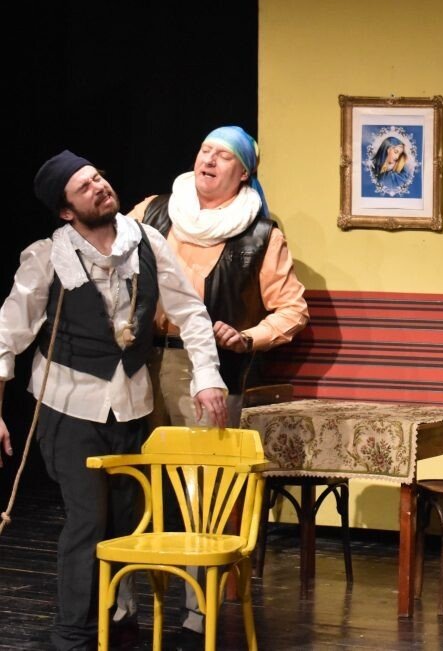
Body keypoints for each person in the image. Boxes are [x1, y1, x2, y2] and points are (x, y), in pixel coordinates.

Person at [0, 150, 227, 650]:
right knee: (88, 518)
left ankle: (115, 620)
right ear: (67, 210)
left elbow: (190, 312)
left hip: (131, 404)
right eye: (85, 187)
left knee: (125, 519)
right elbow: (7, 333)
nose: (100, 187)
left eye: (98, 177)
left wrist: (207, 377)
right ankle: (73, 635)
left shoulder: (145, 241)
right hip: (68, 405)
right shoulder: (47, 257)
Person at [128, 125, 308, 635]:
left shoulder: (259, 233)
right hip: (139, 361)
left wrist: (248, 337)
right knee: (130, 479)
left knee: (199, 492)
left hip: (204, 370)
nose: (208, 160)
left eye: (223, 156)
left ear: (244, 173)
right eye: (204, 150)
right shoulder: (153, 212)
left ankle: (197, 607)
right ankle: (122, 601)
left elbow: (293, 309)